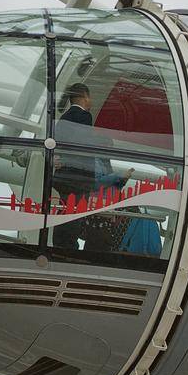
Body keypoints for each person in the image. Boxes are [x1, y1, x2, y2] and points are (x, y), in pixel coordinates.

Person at [51, 83, 132, 252]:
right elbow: (83, 143)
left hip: (63, 176)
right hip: (78, 176)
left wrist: (58, 159)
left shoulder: (63, 118)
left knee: (66, 210)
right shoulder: (84, 116)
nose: (91, 101)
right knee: (75, 214)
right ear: (84, 97)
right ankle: (67, 247)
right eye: (90, 97)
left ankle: (60, 243)